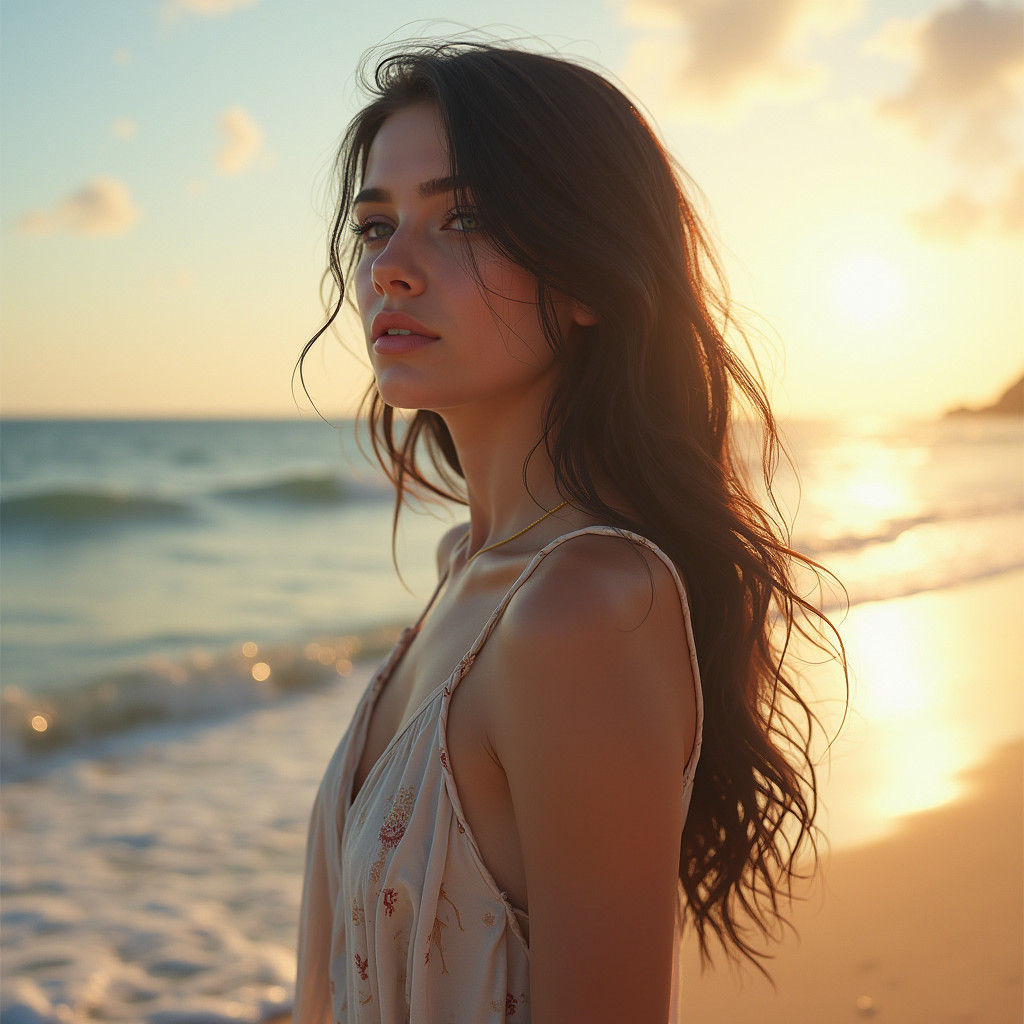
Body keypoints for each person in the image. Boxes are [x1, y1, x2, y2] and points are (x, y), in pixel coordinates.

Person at [293, 40, 846, 1024]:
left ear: (588, 275)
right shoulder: (468, 567)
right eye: (377, 226)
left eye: (460, 217)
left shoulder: (586, 606)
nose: (391, 270)